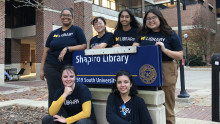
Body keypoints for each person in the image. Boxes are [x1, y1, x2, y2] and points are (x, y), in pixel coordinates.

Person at [139, 9, 183, 124]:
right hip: (147, 70)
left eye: (153, 18)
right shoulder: (143, 34)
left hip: (166, 68)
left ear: (160, 18)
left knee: (167, 104)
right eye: (148, 19)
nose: (151, 21)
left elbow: (180, 55)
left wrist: (164, 50)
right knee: (149, 101)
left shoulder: (170, 34)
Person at [40, 8, 87, 108]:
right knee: (53, 92)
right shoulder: (54, 33)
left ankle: (65, 116)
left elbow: (84, 45)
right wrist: (41, 69)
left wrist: (67, 48)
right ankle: (52, 116)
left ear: (72, 17)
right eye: (64, 15)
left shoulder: (77, 30)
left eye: (68, 15)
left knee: (67, 91)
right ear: (60, 17)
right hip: (51, 66)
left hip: (67, 67)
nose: (66, 17)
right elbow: (45, 51)